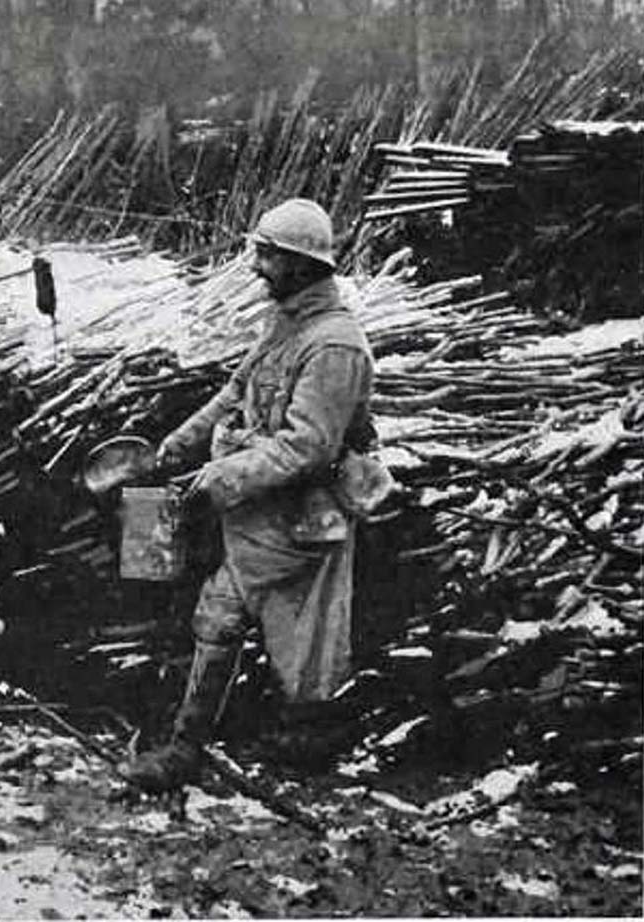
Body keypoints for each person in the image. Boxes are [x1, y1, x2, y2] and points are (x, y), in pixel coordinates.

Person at [122, 198, 376, 792]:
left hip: (300, 525)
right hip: (261, 517)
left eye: (267, 255)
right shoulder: (285, 325)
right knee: (229, 621)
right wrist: (168, 450)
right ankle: (193, 747)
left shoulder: (334, 346)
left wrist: (217, 478)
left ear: (298, 263)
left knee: (295, 647)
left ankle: (259, 750)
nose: (257, 266)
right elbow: (233, 396)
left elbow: (306, 447)